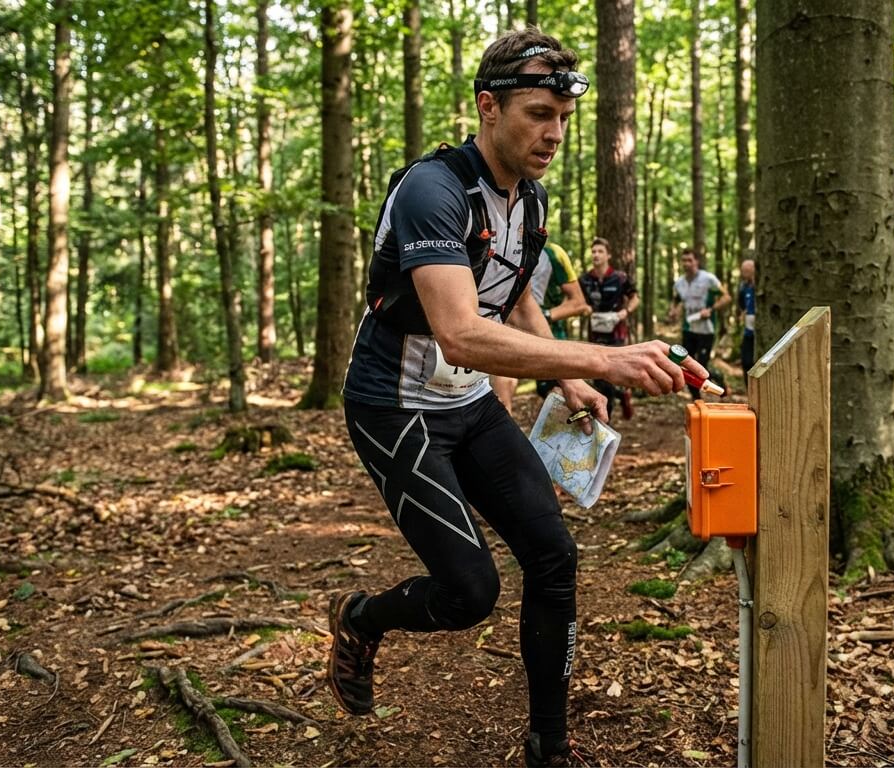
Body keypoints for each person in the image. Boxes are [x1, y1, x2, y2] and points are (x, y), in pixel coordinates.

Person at [332, 29, 707, 768]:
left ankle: (548, 746)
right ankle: (360, 617)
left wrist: (566, 378)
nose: (555, 134)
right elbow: (463, 332)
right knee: (470, 593)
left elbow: (511, 297)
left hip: (469, 405)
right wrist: (602, 358)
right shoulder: (433, 191)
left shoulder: (527, 202)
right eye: (538, 114)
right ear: (488, 106)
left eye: (563, 119)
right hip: (394, 406)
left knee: (554, 557)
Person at [490, 241, 591, 412]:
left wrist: (546, 315)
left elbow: (579, 302)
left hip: (545, 332)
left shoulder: (553, 253)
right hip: (503, 328)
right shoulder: (496, 242)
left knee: (559, 397)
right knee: (502, 395)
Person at [579, 237, 640, 418]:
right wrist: (586, 309)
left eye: (600, 252)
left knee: (613, 373)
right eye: (594, 252)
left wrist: (625, 312)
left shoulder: (620, 278)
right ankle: (617, 401)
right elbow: (578, 303)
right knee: (599, 378)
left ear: (609, 255)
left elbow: (636, 298)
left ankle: (613, 408)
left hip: (616, 333)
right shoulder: (585, 279)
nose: (596, 255)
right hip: (595, 333)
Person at [666, 248, 731, 399]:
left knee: (701, 367)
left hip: (706, 330)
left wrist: (711, 309)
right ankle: (697, 400)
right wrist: (673, 311)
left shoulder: (708, 279)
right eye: (684, 260)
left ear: (697, 261)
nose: (686, 264)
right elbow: (676, 300)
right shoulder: (679, 283)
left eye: (690, 260)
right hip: (688, 329)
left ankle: (718, 377)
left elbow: (726, 297)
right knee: (685, 366)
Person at [735, 259, 756, 383]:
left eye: (747, 270)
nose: (744, 273)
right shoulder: (744, 287)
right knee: (746, 361)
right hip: (748, 331)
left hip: (758, 332)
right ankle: (749, 389)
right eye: (743, 271)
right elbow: (741, 304)